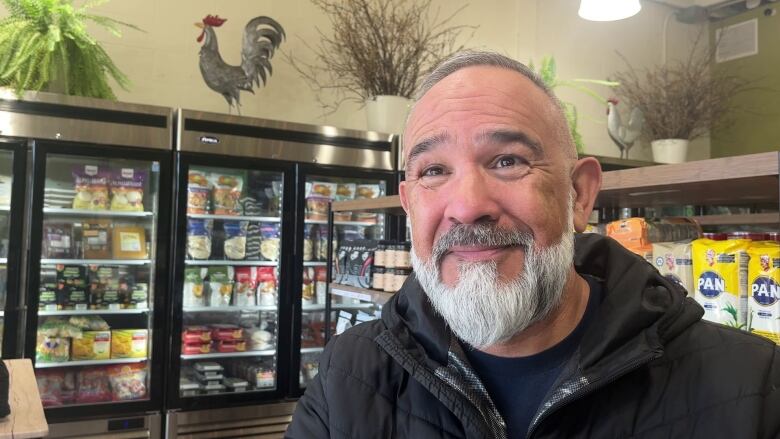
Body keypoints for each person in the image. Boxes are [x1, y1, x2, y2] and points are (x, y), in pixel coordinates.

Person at [286, 51, 780, 439]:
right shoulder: (348, 375)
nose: (467, 205)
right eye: (434, 170)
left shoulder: (752, 387)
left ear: (579, 194)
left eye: (507, 161)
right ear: (410, 203)